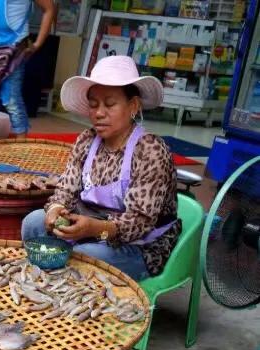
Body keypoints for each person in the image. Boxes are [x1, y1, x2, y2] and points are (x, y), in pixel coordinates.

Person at [21, 55, 181, 281]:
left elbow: (139, 224)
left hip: (138, 245)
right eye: (94, 105)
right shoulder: (87, 141)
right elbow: (66, 189)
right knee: (34, 223)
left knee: (80, 258)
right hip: (89, 230)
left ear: (133, 105)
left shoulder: (150, 151)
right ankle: (48, 286)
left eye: (110, 104)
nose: (98, 113)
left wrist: (95, 229)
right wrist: (56, 209)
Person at [0, 0, 56, 142]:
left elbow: (49, 9)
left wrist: (37, 44)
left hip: (13, 48)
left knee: (12, 102)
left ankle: (21, 148)